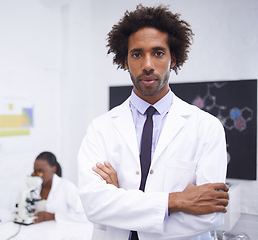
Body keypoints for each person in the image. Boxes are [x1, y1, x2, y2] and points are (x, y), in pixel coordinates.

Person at [77, 4, 229, 240]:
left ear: (173, 59)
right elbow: (94, 205)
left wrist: (121, 200)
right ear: (125, 61)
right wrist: (176, 200)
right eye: (137, 54)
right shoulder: (100, 129)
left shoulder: (207, 127)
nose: (147, 64)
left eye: (158, 53)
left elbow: (209, 215)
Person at [31, 151, 88, 223]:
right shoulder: (33, 187)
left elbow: (85, 216)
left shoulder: (67, 187)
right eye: (35, 171)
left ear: (53, 169)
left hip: (61, 232)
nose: (37, 175)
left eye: (40, 171)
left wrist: (54, 216)